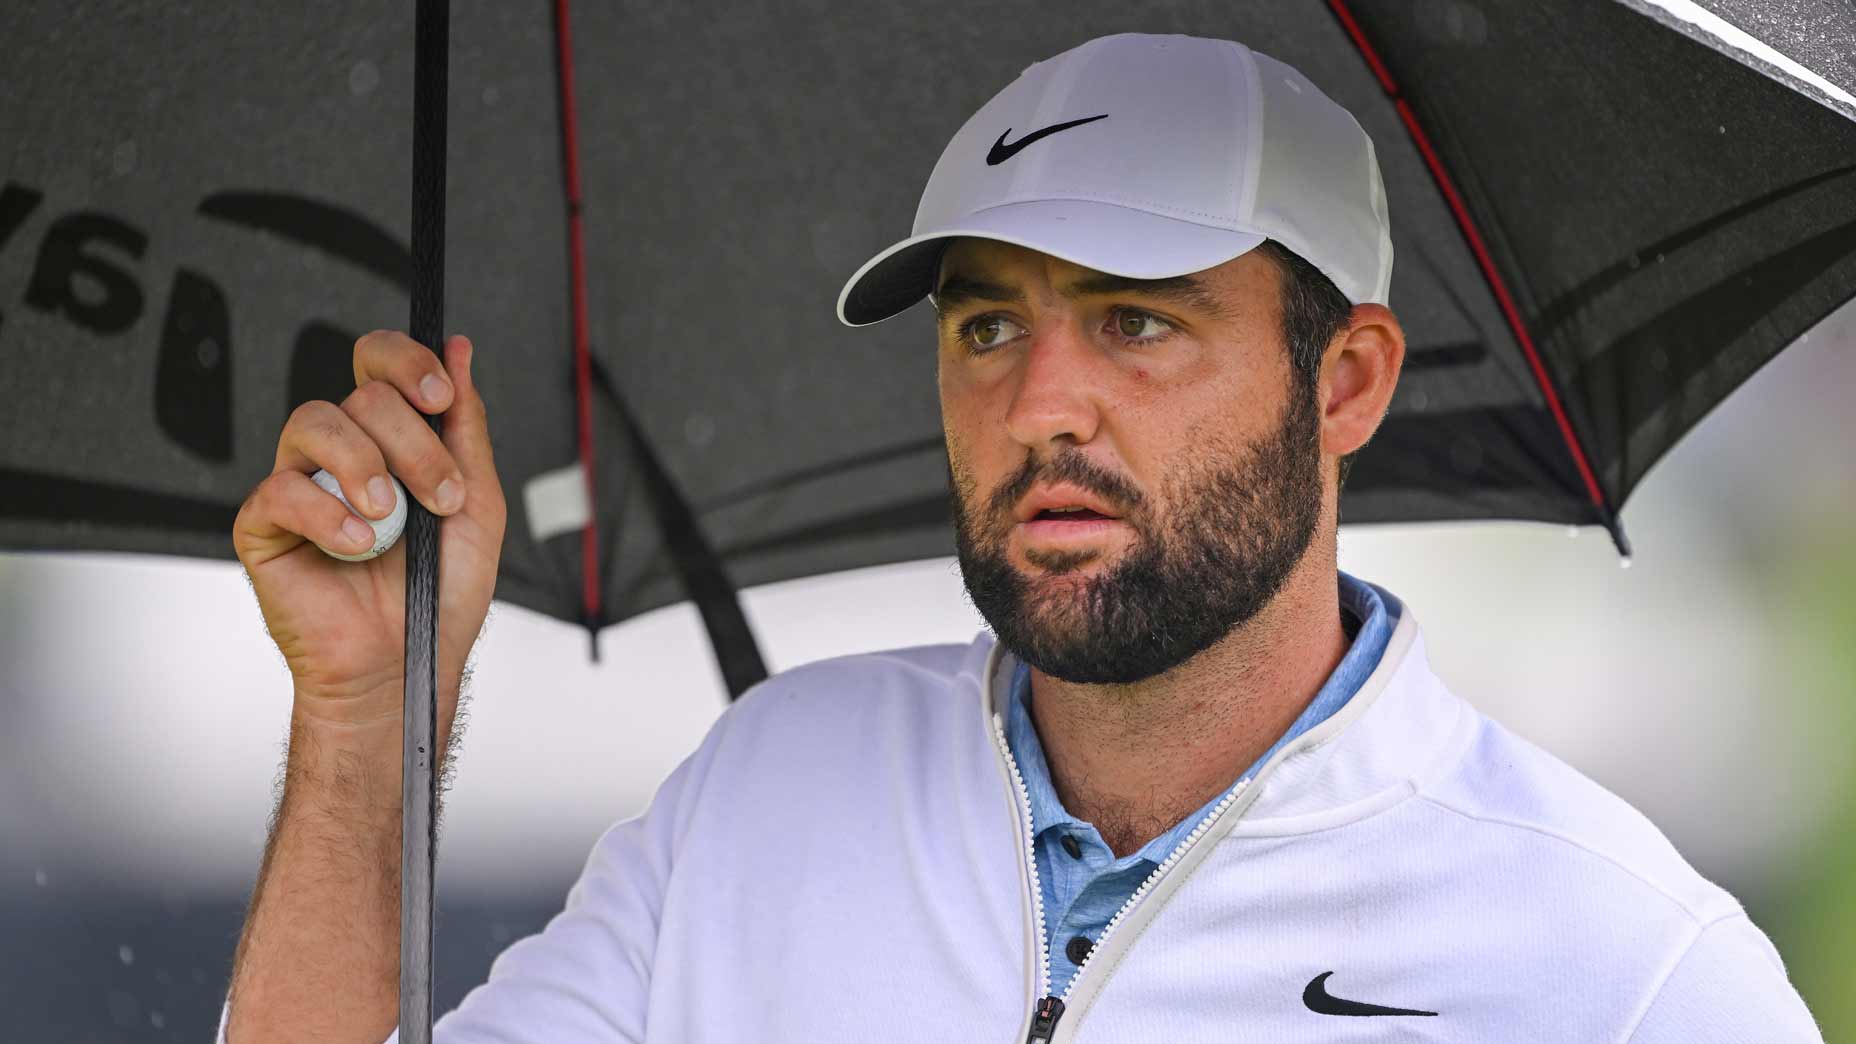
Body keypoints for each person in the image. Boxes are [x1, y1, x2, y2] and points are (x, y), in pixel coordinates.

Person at [219, 32, 1823, 1043]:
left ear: (1345, 383)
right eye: (989, 329)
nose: (1044, 403)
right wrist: (366, 717)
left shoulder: (1620, 971)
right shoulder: (756, 802)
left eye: (1134, 322)